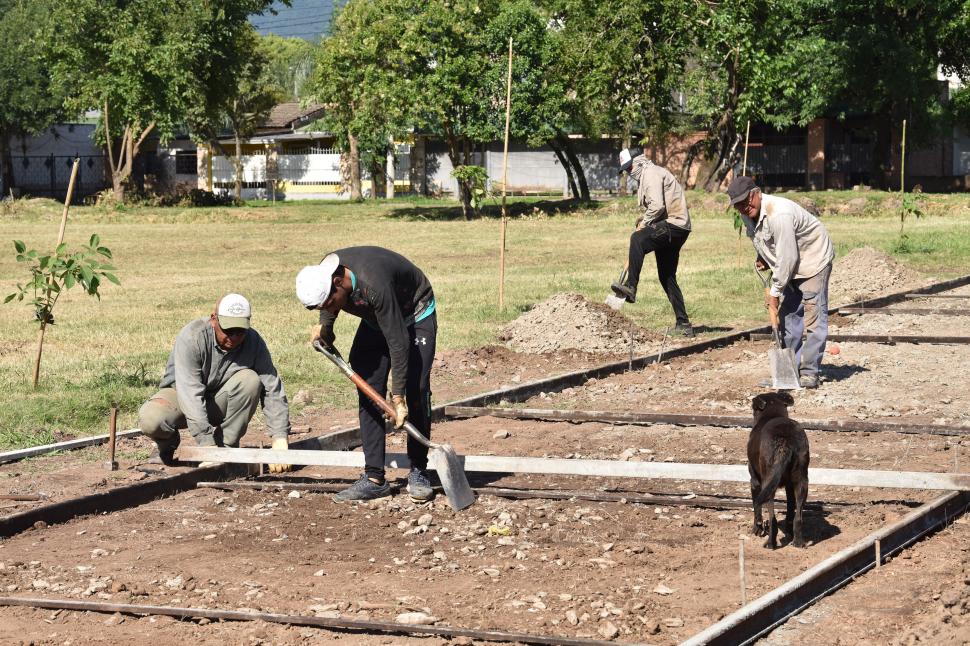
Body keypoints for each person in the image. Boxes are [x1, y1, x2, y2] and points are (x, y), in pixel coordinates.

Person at [296, 246, 437, 503]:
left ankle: (419, 471)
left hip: (414, 312)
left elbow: (398, 342)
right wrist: (325, 329)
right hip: (377, 318)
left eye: (328, 302)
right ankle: (374, 479)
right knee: (368, 387)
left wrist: (398, 398)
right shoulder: (326, 273)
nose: (328, 308)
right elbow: (329, 306)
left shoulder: (374, 283)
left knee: (416, 389)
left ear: (338, 282)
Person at [138, 293, 292, 470]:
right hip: (181, 397)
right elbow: (191, 394)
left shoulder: (254, 342)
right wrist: (206, 445)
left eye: (240, 331)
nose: (233, 337)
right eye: (227, 330)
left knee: (251, 380)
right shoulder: (192, 337)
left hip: (219, 400)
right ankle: (168, 444)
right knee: (151, 419)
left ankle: (225, 448)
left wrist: (280, 438)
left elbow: (272, 387)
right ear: (214, 319)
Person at [727, 176, 835, 389]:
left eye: (746, 201)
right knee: (789, 317)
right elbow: (762, 240)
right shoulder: (749, 214)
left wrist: (775, 292)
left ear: (756, 193)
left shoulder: (779, 214)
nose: (743, 207)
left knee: (814, 318)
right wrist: (763, 257)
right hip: (790, 265)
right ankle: (788, 371)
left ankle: (810, 373)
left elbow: (788, 257)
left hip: (813, 261)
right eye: (738, 204)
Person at [610, 147, 694, 337]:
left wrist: (645, 223)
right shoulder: (649, 174)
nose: (629, 173)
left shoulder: (650, 173)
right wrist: (644, 220)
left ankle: (631, 287)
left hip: (674, 225)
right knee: (666, 276)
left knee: (637, 239)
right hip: (676, 227)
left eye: (629, 168)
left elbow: (657, 206)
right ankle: (684, 323)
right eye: (626, 169)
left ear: (638, 162)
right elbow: (658, 207)